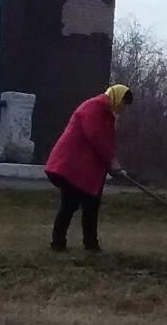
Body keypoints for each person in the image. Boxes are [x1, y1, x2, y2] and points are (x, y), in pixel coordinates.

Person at [44, 84, 132, 253]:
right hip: (72, 165)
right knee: (69, 204)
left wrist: (113, 165)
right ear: (117, 97)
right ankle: (57, 243)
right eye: (123, 103)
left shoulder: (107, 113)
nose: (122, 109)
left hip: (88, 170)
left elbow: (106, 142)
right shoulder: (94, 107)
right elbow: (96, 137)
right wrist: (112, 162)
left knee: (92, 205)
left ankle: (91, 244)